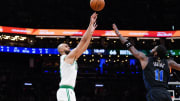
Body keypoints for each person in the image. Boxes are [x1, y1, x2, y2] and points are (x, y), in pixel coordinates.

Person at [112, 23, 180, 101]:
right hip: (166, 94)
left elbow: (130, 47)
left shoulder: (146, 59)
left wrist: (118, 33)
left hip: (154, 93)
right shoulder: (169, 63)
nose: (153, 48)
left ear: (156, 53)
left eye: (154, 48)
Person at [56, 12, 98, 101]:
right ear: (61, 50)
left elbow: (84, 47)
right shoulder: (66, 57)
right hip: (65, 90)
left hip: (68, 91)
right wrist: (90, 24)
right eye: (66, 46)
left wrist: (90, 33)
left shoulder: (72, 58)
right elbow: (82, 41)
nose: (68, 46)